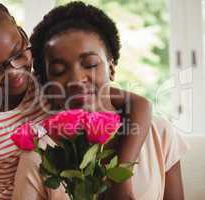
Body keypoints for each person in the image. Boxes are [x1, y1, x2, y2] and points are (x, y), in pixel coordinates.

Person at [0, 0, 151, 199]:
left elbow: (139, 104)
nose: (15, 73)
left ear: (22, 34)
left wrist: (122, 179)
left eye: (18, 53)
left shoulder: (45, 83)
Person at [13, 2, 188, 200]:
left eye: (90, 64)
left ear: (111, 69)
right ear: (47, 84)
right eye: (59, 71)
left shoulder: (159, 133)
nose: (76, 79)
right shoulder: (39, 155)